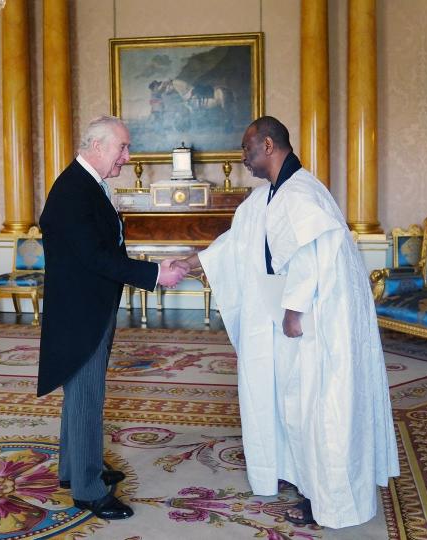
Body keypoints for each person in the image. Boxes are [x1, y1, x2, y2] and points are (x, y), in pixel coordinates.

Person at [176, 116, 399, 528]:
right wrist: (192, 263)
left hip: (317, 320)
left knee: (318, 405)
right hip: (288, 312)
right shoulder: (269, 197)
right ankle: (295, 472)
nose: (242, 157)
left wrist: (294, 311)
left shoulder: (301, 194)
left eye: (246, 148)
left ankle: (326, 500)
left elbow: (313, 255)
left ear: (266, 145)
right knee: (289, 400)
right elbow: (236, 241)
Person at [37, 115, 186, 520]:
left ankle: (74, 468)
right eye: (123, 147)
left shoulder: (87, 184)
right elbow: (94, 257)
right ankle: (87, 489)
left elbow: (106, 250)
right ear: (97, 146)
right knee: (86, 397)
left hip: (88, 306)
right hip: (80, 313)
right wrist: (156, 275)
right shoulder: (73, 191)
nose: (127, 156)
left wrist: (156, 265)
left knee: (82, 395)